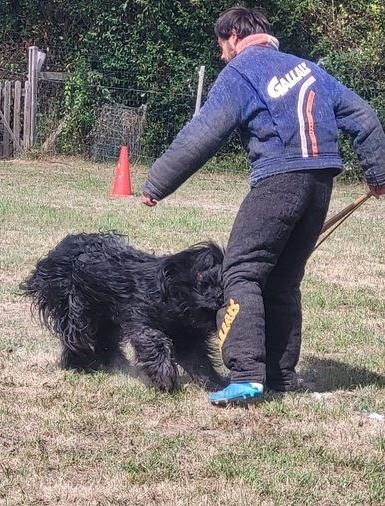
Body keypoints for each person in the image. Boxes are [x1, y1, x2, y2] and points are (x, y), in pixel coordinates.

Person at [140, 6, 385, 406]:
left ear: (235, 36)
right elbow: (364, 116)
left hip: (278, 179)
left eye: (222, 46)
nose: (222, 56)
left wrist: (157, 183)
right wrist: (378, 175)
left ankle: (247, 375)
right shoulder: (308, 69)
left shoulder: (241, 72)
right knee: (283, 280)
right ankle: (281, 375)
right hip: (321, 182)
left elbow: (201, 134)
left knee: (241, 271)